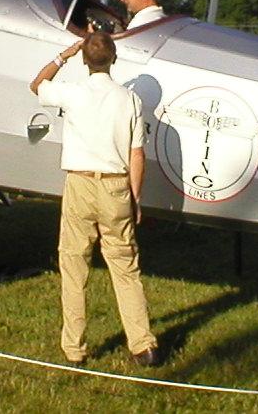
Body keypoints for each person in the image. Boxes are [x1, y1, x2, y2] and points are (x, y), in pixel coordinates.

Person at [30, 31, 160, 367]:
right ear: (113, 59)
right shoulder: (130, 100)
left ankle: (74, 349)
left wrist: (64, 55)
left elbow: (37, 85)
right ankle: (143, 345)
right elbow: (136, 155)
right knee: (125, 266)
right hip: (116, 186)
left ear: (85, 60)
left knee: (74, 264)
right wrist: (135, 198)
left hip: (80, 183)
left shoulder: (73, 93)